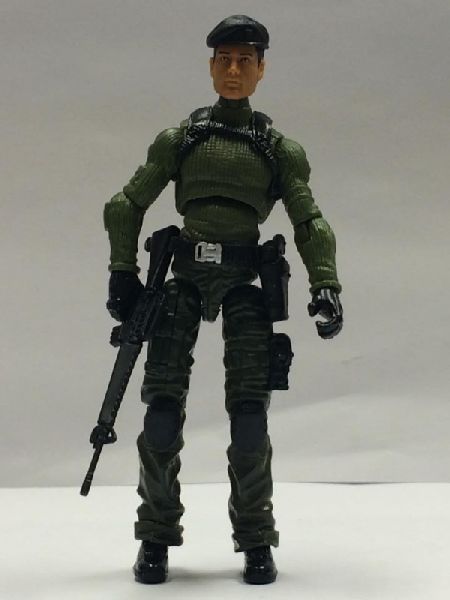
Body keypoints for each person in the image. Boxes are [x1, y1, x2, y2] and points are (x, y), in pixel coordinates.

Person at [103, 14, 343, 585]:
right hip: (182, 277)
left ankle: (256, 538)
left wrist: (325, 283)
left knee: (250, 419)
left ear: (261, 70)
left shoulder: (278, 149)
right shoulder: (181, 140)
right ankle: (155, 535)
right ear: (211, 66)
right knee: (161, 414)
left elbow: (308, 219)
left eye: (245, 61)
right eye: (225, 60)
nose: (234, 71)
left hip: (243, 281)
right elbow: (125, 204)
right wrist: (122, 272)